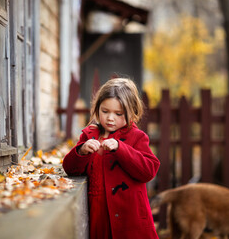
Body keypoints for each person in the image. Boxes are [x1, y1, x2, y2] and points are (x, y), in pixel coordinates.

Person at [62, 78, 160, 239]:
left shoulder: (136, 137)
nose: (110, 118)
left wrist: (121, 148)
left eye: (118, 114)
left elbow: (149, 170)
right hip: (100, 218)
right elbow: (70, 168)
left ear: (132, 112)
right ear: (97, 108)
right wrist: (81, 151)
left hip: (130, 219)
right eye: (105, 111)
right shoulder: (89, 135)